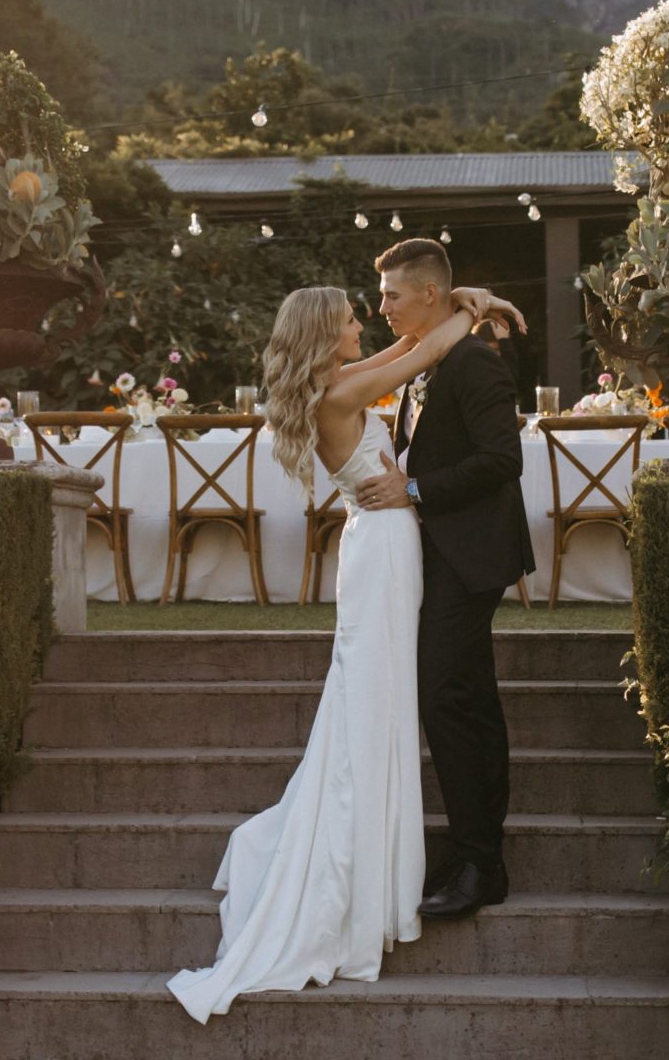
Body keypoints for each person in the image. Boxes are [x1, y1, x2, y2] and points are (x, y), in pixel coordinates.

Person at [168, 277, 525, 1023]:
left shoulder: (337, 380)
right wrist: (470, 307)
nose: (368, 320)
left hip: (387, 543)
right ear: (327, 332)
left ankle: (421, 851)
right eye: (353, 316)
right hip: (386, 548)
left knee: (391, 691)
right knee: (381, 696)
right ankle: (370, 862)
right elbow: (423, 347)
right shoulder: (337, 396)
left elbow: (410, 347)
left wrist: (465, 306)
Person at [354, 239, 536, 920]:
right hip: (437, 556)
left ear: (431, 294)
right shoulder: (422, 363)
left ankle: (479, 862)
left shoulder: (474, 364)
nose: (383, 307)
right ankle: (473, 853)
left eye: (393, 295)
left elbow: (502, 461)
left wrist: (416, 489)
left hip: (472, 555)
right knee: (465, 701)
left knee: (447, 701)